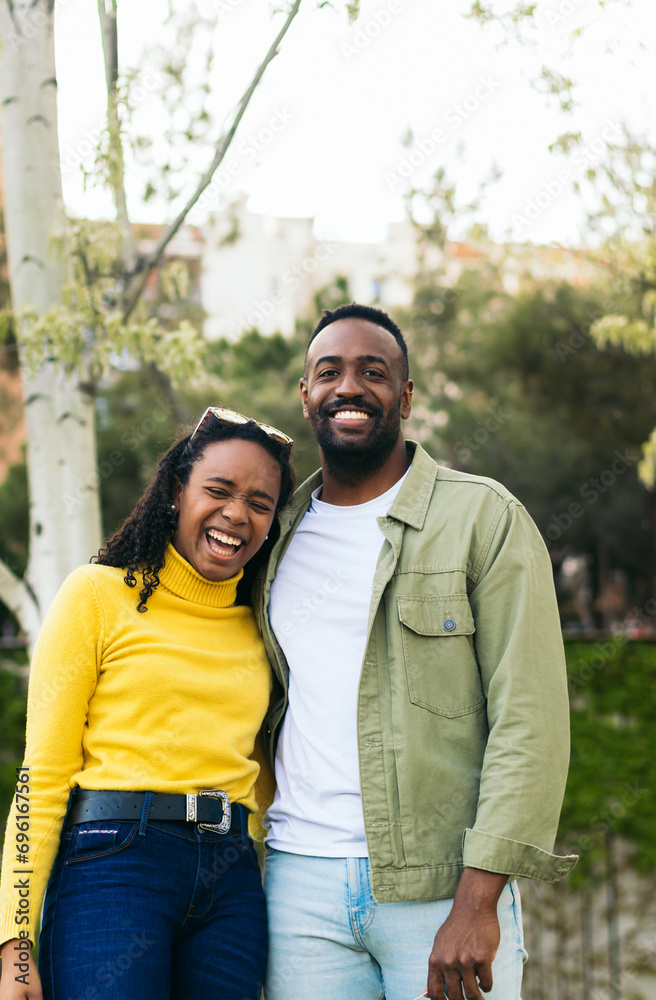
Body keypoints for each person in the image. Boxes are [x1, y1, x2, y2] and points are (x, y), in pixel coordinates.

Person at [254, 303, 578, 1000]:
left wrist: (478, 901)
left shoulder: (482, 517)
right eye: (329, 371)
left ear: (404, 397)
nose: (350, 387)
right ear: (305, 394)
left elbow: (531, 721)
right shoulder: (272, 537)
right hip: (297, 884)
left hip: (440, 890)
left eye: (374, 372)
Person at [0, 406, 294, 1000]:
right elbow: (43, 776)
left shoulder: (264, 626)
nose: (237, 514)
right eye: (219, 490)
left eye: (260, 504)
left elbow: (263, 782)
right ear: (176, 491)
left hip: (230, 881)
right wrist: (16, 945)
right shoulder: (96, 595)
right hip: (113, 864)